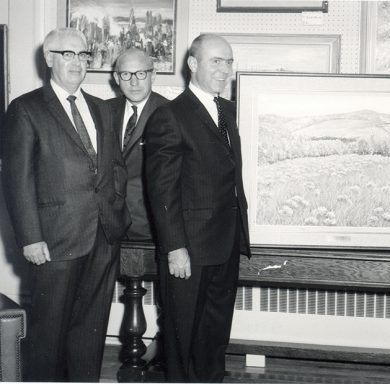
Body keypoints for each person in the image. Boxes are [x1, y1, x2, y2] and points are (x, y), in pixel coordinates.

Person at [1, 28, 130, 381]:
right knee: (47, 336)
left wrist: (117, 218)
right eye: (68, 54)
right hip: (53, 241)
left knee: (90, 335)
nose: (77, 62)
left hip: (102, 239)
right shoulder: (26, 109)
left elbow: (115, 169)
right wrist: (30, 237)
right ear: (49, 59)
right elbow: (17, 180)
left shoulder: (103, 109)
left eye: (83, 55)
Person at [144, 33, 251, 382]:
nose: (225, 70)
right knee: (182, 339)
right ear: (192, 64)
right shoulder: (169, 116)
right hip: (188, 249)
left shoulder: (228, 110)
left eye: (229, 61)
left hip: (225, 244)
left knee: (214, 337)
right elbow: (162, 190)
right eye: (216, 61)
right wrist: (175, 248)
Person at [108, 48, 168, 241]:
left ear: (154, 75)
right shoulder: (103, 111)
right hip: (107, 227)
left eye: (141, 74)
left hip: (151, 228)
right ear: (117, 78)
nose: (134, 82)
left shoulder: (172, 114)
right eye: (126, 74)